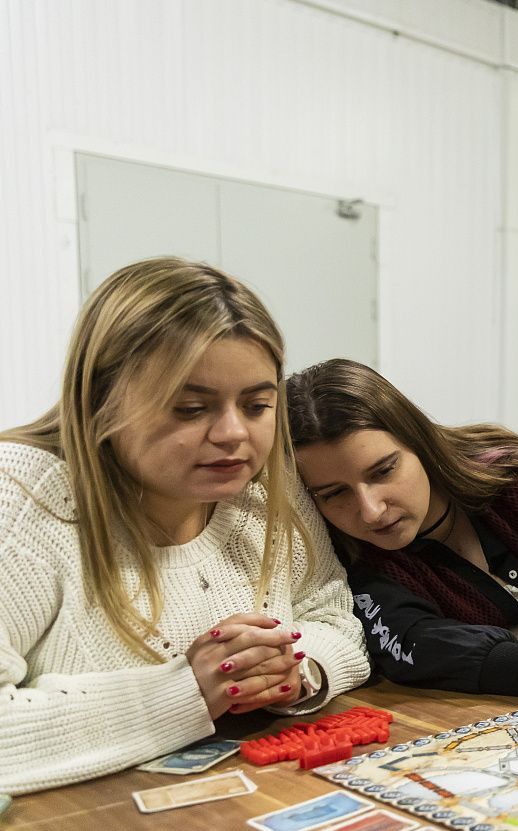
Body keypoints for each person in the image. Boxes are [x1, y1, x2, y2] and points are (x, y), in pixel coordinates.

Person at [0, 258, 370, 796]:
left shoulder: (265, 485)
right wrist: (184, 692)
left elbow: (331, 612)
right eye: (191, 408)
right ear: (102, 400)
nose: (233, 434)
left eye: (258, 404)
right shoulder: (19, 496)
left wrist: (297, 667)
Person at [286, 359, 518, 699]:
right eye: (334, 493)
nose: (371, 512)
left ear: (419, 442)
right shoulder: (354, 557)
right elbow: (415, 647)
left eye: (384, 470)